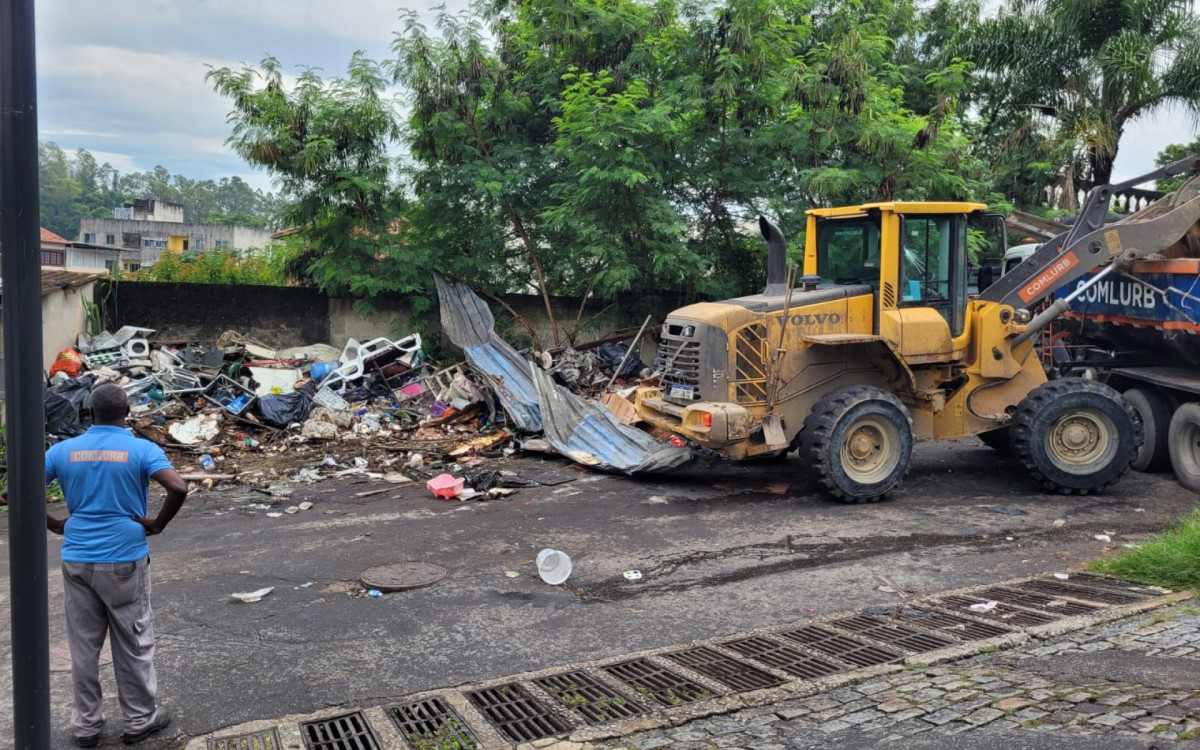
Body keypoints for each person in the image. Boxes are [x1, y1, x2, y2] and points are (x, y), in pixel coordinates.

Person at [44, 383, 188, 747]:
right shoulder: (141, 448)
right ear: (127, 411)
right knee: (133, 640)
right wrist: (158, 524)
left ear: (90, 412)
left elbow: (16, 491)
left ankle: (86, 726)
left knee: (83, 647)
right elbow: (179, 488)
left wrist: (55, 523)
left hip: (76, 557)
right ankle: (140, 720)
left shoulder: (62, 450)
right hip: (124, 557)